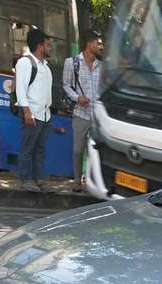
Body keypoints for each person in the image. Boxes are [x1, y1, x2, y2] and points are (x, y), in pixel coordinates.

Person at [62, 30, 103, 192]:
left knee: (95, 151)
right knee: (78, 150)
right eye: (97, 43)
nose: (101, 46)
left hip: (98, 116)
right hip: (80, 114)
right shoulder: (71, 63)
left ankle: (92, 181)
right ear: (88, 44)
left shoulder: (102, 65)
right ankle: (77, 181)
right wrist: (77, 97)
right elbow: (66, 85)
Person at [15, 28, 53, 191]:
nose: (50, 48)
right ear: (39, 46)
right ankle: (25, 180)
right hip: (32, 114)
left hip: (45, 115)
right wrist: (26, 112)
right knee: (27, 149)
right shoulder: (25, 63)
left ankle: (38, 180)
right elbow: (20, 89)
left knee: (39, 150)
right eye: (48, 45)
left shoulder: (46, 67)